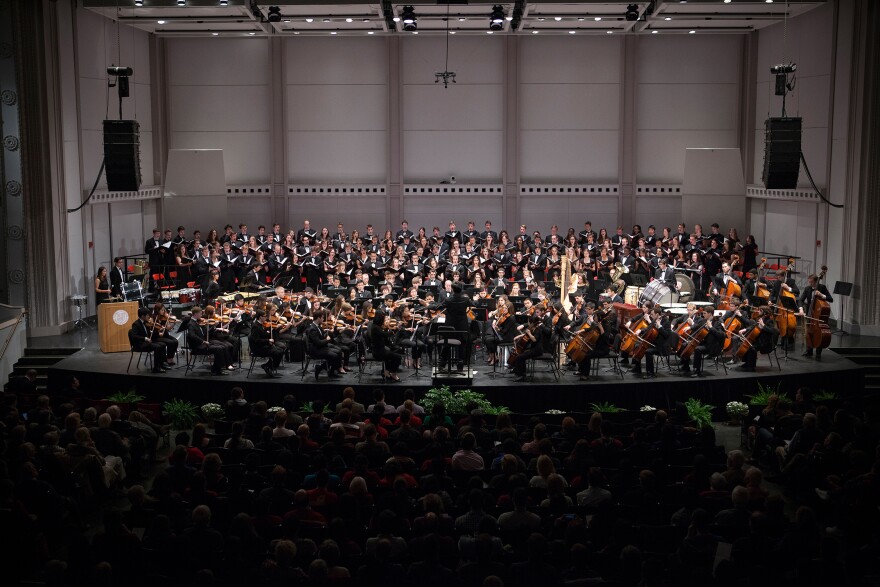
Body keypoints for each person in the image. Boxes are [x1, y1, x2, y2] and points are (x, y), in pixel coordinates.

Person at [186, 306, 232, 376]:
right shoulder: (191, 324)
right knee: (219, 349)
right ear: (195, 314)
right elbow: (192, 336)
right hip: (198, 347)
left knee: (222, 347)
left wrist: (212, 326)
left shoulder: (198, 322)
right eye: (200, 314)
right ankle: (216, 370)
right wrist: (203, 341)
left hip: (203, 344)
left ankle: (218, 368)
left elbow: (205, 333)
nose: (201, 315)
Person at [438, 282, 473, 371]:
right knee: (462, 345)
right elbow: (474, 304)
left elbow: (439, 306)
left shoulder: (448, 300)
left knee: (446, 344)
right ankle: (460, 366)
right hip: (462, 327)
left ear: (453, 290)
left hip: (450, 326)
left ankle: (442, 364)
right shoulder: (466, 300)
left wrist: (428, 306)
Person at [798, 272, 833, 359]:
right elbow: (801, 300)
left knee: (818, 332)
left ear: (816, 281)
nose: (811, 284)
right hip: (810, 313)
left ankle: (818, 352)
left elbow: (830, 299)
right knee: (809, 331)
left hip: (818, 314)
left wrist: (821, 295)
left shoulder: (822, 287)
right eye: (809, 282)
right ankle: (809, 351)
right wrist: (801, 308)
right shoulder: (807, 289)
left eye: (812, 282)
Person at [129, 307, 169, 374]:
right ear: (142, 316)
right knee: (158, 347)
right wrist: (145, 338)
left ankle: (161, 364)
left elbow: (148, 331)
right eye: (147, 315)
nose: (149, 316)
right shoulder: (136, 324)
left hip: (145, 342)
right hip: (139, 344)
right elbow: (134, 336)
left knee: (163, 344)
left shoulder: (144, 322)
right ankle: (156, 368)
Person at [509, 315, 546, 382]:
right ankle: (518, 371)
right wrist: (518, 336)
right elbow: (526, 335)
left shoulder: (538, 329)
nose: (528, 323)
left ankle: (521, 376)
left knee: (520, 357)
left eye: (528, 322)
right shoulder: (533, 328)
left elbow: (534, 339)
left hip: (537, 350)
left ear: (532, 323)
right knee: (520, 354)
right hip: (533, 348)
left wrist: (529, 333)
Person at [249, 310, 285, 378]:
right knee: (277, 353)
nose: (266, 318)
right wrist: (268, 340)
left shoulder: (262, 325)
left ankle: (268, 366)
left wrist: (269, 331)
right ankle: (269, 367)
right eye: (264, 316)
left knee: (281, 350)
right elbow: (256, 340)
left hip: (264, 346)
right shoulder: (255, 326)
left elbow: (264, 334)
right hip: (259, 348)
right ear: (260, 317)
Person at [369, 311, 403, 382]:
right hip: (378, 352)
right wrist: (393, 329)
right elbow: (385, 335)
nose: (384, 321)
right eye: (384, 320)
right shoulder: (376, 328)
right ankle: (393, 374)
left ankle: (386, 372)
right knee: (398, 357)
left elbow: (385, 336)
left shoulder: (375, 326)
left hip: (379, 350)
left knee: (392, 355)